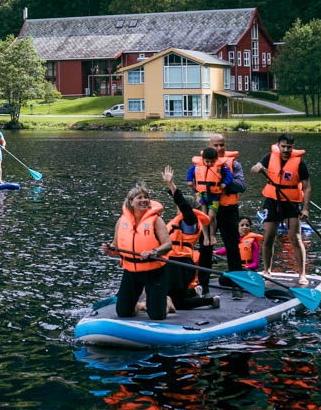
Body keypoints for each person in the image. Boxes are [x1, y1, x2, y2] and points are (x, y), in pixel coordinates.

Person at [185, 135, 248, 298]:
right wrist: (200, 187)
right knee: (205, 247)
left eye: (222, 145)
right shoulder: (201, 163)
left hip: (228, 210)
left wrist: (222, 181)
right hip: (209, 208)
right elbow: (193, 183)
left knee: (233, 248)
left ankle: (237, 286)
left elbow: (242, 186)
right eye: (216, 145)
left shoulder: (234, 164)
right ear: (209, 146)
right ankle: (202, 285)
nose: (219, 148)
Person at [103, 183, 172, 320]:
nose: (144, 200)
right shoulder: (121, 221)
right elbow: (115, 247)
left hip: (154, 271)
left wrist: (153, 252)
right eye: (139, 197)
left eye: (146, 197)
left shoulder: (156, 220)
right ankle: (141, 305)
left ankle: (168, 303)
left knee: (157, 316)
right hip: (131, 272)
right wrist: (108, 249)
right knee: (123, 312)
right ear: (131, 202)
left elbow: (168, 245)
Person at [251, 135, 310, 285]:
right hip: (272, 200)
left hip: (291, 202)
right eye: (283, 146)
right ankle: (267, 270)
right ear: (278, 145)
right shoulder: (270, 157)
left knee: (295, 238)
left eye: (289, 147)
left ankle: (302, 274)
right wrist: (257, 168)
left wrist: (305, 209)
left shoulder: (300, 163)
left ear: (293, 146)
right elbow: (253, 169)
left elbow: (307, 187)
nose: (286, 150)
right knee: (269, 236)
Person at [164, 194, 220, 311]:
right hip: (172, 261)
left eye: (179, 206)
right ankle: (194, 291)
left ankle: (211, 301)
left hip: (181, 263)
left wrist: (173, 189)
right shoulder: (178, 221)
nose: (178, 208)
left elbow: (185, 209)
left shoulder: (190, 222)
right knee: (168, 294)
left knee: (177, 303)